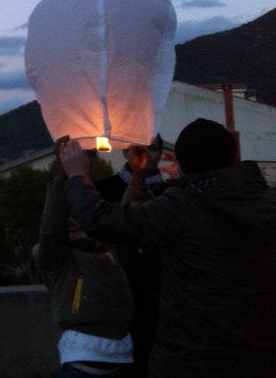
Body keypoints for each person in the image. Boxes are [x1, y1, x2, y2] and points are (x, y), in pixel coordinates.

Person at [58, 119, 276, 378]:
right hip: (261, 359)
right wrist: (138, 180)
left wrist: (76, 173)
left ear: (182, 165)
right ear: (234, 155)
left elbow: (99, 219)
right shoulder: (269, 202)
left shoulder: (182, 208)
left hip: (189, 360)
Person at [36, 165, 134, 377]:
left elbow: (127, 216)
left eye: (77, 213)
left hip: (122, 357)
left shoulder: (108, 249)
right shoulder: (58, 258)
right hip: (83, 363)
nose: (72, 220)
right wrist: (64, 172)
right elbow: (52, 229)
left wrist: (139, 175)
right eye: (67, 216)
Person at [94, 136, 164, 378]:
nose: (145, 155)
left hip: (159, 294)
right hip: (116, 291)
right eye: (139, 149)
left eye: (152, 148)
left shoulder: (171, 193)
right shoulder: (102, 189)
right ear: (125, 153)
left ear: (161, 153)